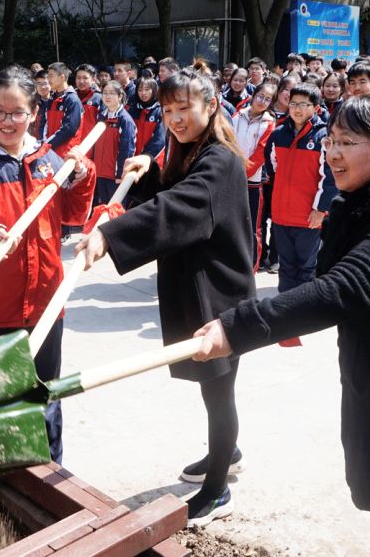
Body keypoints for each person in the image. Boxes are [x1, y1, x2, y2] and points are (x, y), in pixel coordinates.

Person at [193, 94, 370, 556]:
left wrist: (236, 328)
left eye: (348, 142)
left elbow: (342, 289)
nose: (332, 152)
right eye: (331, 140)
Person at [76, 68, 254, 528]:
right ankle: (225, 452)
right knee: (213, 385)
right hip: (196, 283)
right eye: (168, 110)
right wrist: (151, 170)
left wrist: (111, 236)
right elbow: (172, 192)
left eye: (185, 109)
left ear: (210, 106)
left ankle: (218, 489)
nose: (175, 119)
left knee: (219, 389)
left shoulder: (220, 160)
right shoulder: (190, 150)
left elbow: (182, 207)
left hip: (218, 292)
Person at [0, 66, 95, 464]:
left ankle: (50, 475)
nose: (7, 122)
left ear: (34, 112)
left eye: (17, 113)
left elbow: (74, 216)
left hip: (44, 303)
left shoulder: (47, 161)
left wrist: (80, 177)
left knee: (44, 397)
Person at [264, 82, 337, 291]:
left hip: (309, 216)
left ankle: (303, 311)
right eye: (293, 103)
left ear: (315, 108)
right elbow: (272, 167)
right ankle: (285, 309)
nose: (297, 109)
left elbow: (330, 178)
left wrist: (320, 209)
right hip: (281, 214)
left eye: (303, 104)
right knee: (286, 266)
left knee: (306, 267)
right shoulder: (278, 134)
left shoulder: (323, 136)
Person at [233, 82, 277, 267]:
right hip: (230, 178)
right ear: (253, 95)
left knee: (252, 228)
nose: (262, 101)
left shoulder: (268, 124)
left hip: (251, 182)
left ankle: (251, 267)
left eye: (268, 99)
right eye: (260, 96)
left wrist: (240, 174)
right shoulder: (236, 116)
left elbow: (260, 155)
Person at [92, 81, 136, 206]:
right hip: (100, 172)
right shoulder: (101, 116)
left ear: (120, 96)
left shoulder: (125, 120)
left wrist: (120, 173)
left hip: (115, 175)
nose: (107, 96)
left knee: (116, 209)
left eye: (111, 93)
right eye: (105, 93)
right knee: (102, 207)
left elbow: (127, 149)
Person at [42, 62, 84, 158]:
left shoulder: (72, 100)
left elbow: (69, 129)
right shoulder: (51, 98)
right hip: (50, 151)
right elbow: (44, 123)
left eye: (51, 76)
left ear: (62, 77)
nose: (48, 79)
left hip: (66, 154)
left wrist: (47, 144)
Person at [130, 76, 167, 158]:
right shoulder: (132, 111)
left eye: (147, 89)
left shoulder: (161, 112)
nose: (143, 93)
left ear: (154, 90)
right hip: (132, 158)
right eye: (140, 90)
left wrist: (143, 157)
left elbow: (160, 140)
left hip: (153, 160)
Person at [74, 63, 104, 145]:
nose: (81, 81)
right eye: (78, 78)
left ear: (93, 80)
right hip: (72, 143)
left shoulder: (99, 98)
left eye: (85, 78)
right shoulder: (71, 97)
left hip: (91, 144)